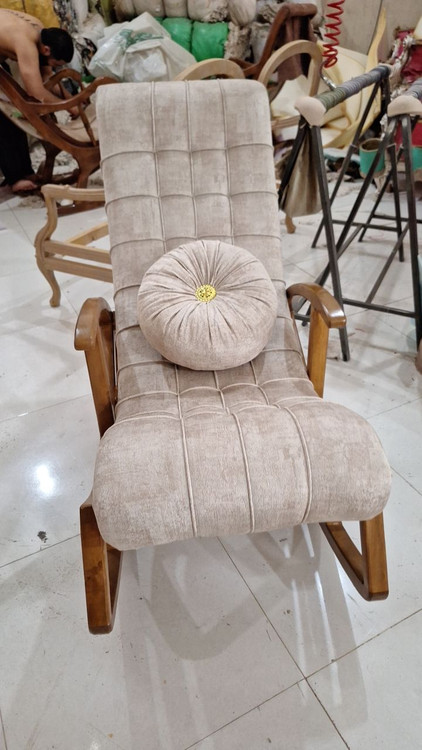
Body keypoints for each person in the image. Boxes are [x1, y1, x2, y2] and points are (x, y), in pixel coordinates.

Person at [0, 9, 75, 194]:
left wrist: (73, 101)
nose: (53, 67)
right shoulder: (26, 43)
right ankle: (15, 178)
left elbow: (47, 78)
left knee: (16, 111)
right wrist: (69, 107)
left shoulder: (41, 34)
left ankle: (25, 172)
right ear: (46, 50)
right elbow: (36, 91)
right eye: (55, 63)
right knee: (4, 117)